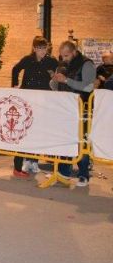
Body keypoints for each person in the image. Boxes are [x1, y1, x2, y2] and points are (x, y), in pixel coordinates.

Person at [10, 36, 58, 178]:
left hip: (44, 100)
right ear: (34, 48)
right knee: (23, 131)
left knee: (38, 132)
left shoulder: (52, 61)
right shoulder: (27, 59)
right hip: (27, 99)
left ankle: (33, 161)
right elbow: (15, 69)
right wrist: (14, 84)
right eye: (39, 48)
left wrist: (55, 80)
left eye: (45, 48)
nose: (42, 51)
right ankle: (18, 167)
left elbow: (60, 75)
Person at [50, 40, 95, 187]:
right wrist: (55, 80)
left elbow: (88, 87)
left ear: (74, 52)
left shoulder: (87, 64)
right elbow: (56, 87)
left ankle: (83, 175)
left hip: (82, 108)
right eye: (61, 56)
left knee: (82, 142)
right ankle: (64, 171)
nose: (63, 59)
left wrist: (67, 80)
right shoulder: (62, 64)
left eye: (66, 56)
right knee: (64, 139)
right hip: (65, 108)